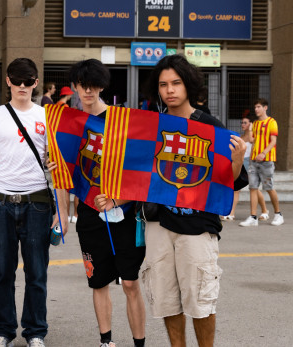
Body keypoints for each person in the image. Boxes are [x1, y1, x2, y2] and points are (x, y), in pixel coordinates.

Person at [118, 54, 245, 347]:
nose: (169, 90)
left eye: (176, 83)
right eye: (163, 84)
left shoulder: (210, 126)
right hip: (158, 223)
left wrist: (237, 161)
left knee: (200, 301)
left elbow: (231, 180)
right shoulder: (150, 126)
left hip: (198, 226)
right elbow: (137, 174)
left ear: (188, 85)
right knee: (166, 301)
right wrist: (113, 196)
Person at [0, 58, 68, 347]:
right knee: (2, 271)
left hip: (38, 200)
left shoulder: (46, 116)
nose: (23, 86)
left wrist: (62, 210)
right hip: (1, 200)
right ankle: (2, 331)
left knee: (36, 272)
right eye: (18, 80)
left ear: (36, 83)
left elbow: (59, 162)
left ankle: (35, 332)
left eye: (29, 81)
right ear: (8, 81)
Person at [70, 59, 146, 347]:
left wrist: (119, 198)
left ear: (102, 86)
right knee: (98, 281)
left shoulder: (124, 121)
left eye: (93, 85)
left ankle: (139, 342)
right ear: (75, 87)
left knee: (130, 283)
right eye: (82, 85)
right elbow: (67, 168)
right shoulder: (71, 125)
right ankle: (106, 341)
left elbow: (143, 172)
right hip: (89, 212)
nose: (87, 91)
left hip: (125, 213)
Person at [239, 98, 284, 227]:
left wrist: (263, 153)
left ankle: (278, 214)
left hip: (267, 160)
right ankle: (253, 217)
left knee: (269, 187)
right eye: (255, 107)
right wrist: (251, 130)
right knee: (252, 188)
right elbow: (252, 140)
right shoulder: (256, 124)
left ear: (265, 108)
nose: (256, 109)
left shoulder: (272, 122)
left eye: (258, 107)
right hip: (254, 160)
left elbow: (273, 141)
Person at [221, 115, 268, 221]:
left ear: (250, 124)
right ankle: (231, 213)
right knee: (236, 189)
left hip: (250, 164)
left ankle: (265, 210)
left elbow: (252, 141)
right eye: (241, 123)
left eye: (245, 123)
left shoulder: (253, 137)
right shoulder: (240, 137)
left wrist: (251, 129)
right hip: (241, 164)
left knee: (254, 189)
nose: (242, 125)